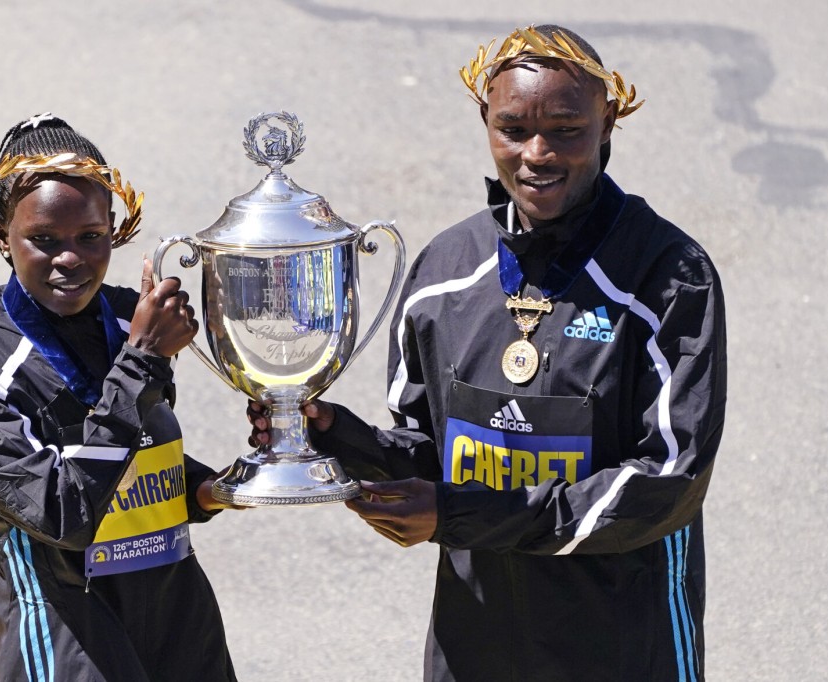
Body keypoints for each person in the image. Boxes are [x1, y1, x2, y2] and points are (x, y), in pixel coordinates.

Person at [250, 25, 726, 681]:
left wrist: (466, 514)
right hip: (474, 647)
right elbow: (425, 450)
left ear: (608, 119)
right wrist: (336, 438)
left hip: (622, 648)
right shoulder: (444, 273)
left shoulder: (666, 276)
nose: (538, 152)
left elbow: (667, 483)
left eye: (566, 129)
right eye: (514, 127)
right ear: (485, 119)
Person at [0, 113, 238, 681]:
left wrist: (208, 489)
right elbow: (61, 512)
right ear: (3, 237)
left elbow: (133, 452)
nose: (70, 258)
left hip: (177, 613)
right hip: (67, 630)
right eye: (43, 240)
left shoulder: (128, 316)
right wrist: (142, 360)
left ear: (114, 230)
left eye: (90, 237)